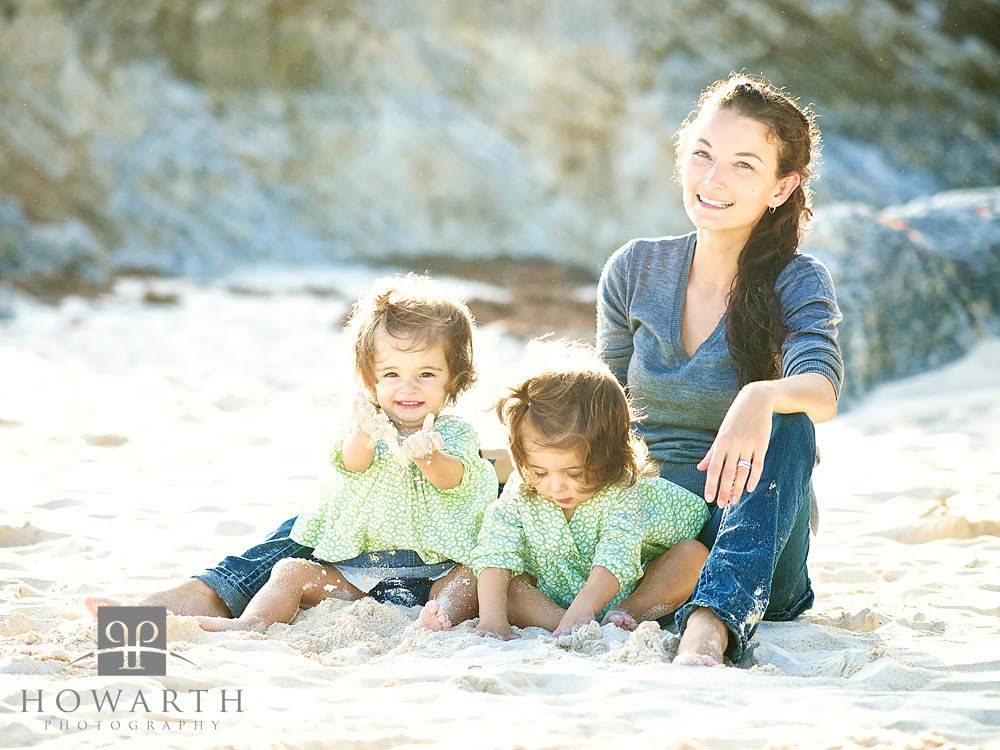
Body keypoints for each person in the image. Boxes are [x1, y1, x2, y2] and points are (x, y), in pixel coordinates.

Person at [597, 74, 843, 666]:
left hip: (755, 542)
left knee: (792, 422)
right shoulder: (635, 268)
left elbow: (823, 391)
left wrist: (760, 396)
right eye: (703, 154)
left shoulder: (797, 279)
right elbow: (598, 407)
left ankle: (711, 624)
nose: (714, 179)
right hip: (645, 525)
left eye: (743, 165)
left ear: (781, 187)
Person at [87, 274, 497, 628]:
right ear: (370, 379)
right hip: (360, 563)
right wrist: (364, 438)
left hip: (430, 567)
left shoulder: (450, 432)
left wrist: (429, 457)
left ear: (452, 380)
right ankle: (175, 607)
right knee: (297, 547)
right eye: (392, 374)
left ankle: (436, 616)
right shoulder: (370, 424)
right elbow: (351, 465)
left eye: (426, 374)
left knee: (467, 578)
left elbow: (459, 476)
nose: (408, 387)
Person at [421, 339, 710, 638]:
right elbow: (497, 547)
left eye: (575, 472)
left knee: (693, 557)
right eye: (540, 471)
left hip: (621, 590)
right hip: (546, 603)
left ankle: (624, 615)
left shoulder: (622, 489)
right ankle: (564, 624)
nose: (556, 485)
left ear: (611, 455)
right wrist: (493, 621)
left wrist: (584, 609)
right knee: (486, 580)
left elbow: (618, 553)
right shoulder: (524, 489)